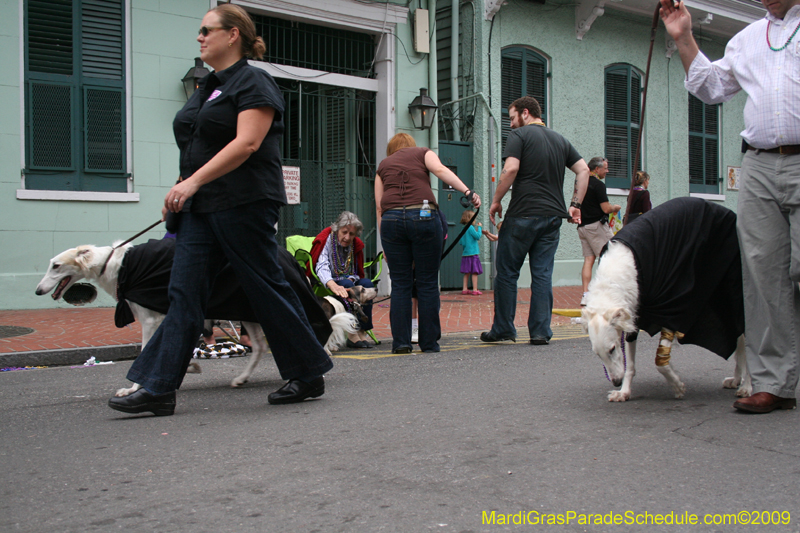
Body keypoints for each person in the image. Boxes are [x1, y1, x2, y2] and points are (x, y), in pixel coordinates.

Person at [108, 4, 333, 416]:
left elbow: (247, 143)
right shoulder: (206, 87)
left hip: (243, 203)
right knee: (184, 293)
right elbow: (199, 146)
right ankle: (158, 388)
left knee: (265, 284)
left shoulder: (254, 82)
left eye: (207, 30)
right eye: (199, 31)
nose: (199, 37)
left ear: (233, 35)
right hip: (200, 208)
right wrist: (182, 186)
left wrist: (193, 181)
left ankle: (307, 372)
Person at [660, 0, 800, 413]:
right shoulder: (749, 38)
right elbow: (711, 86)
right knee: (763, 277)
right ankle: (774, 383)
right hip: (758, 163)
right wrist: (684, 36)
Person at [481, 96, 589, 345]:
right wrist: (575, 205)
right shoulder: (561, 140)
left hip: (522, 214)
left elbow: (510, 169)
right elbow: (584, 170)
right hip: (553, 217)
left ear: (525, 113)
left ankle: (504, 329)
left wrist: (496, 200)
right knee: (542, 274)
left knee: (507, 272)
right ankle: (540, 332)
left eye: (512, 117)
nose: (511, 124)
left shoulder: (519, 137)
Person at [375, 133, 481, 354]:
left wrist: (385, 244)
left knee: (401, 283)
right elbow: (441, 171)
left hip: (391, 221)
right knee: (427, 282)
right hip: (423, 216)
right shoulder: (423, 153)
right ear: (411, 146)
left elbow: (379, 208)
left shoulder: (383, 166)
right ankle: (429, 343)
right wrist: (467, 192)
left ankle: (401, 343)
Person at [310, 211, 374, 348]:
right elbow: (321, 266)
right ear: (337, 229)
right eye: (344, 232)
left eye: (351, 234)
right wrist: (332, 284)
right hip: (331, 280)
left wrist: (351, 278)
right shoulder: (327, 239)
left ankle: (362, 329)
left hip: (349, 278)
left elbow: (357, 271)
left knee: (367, 284)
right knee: (345, 285)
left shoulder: (355, 244)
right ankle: (352, 332)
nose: (347, 237)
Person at [578, 157, 621, 306]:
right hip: (596, 227)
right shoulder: (598, 185)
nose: (607, 171)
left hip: (582, 227)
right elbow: (606, 209)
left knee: (588, 260)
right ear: (597, 169)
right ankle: (606, 294)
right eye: (606, 168)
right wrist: (615, 207)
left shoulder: (580, 183)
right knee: (608, 258)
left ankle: (586, 295)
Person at [459, 209, 484, 295]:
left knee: (467, 272)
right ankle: (475, 289)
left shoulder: (463, 228)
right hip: (473, 253)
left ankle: (464, 289)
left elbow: (461, 242)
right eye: (474, 218)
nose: (475, 220)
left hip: (465, 253)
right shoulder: (470, 227)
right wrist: (479, 228)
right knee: (475, 272)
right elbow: (477, 236)